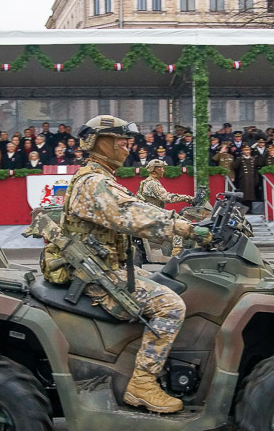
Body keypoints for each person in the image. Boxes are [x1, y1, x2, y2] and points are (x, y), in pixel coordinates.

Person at [52, 116, 209, 414]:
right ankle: (143, 383)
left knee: (164, 279)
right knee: (170, 305)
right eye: (121, 141)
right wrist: (186, 228)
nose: (127, 147)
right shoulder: (94, 184)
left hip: (103, 267)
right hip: (97, 277)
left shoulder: (99, 178)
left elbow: (137, 206)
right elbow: (131, 214)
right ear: (102, 143)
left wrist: (183, 219)